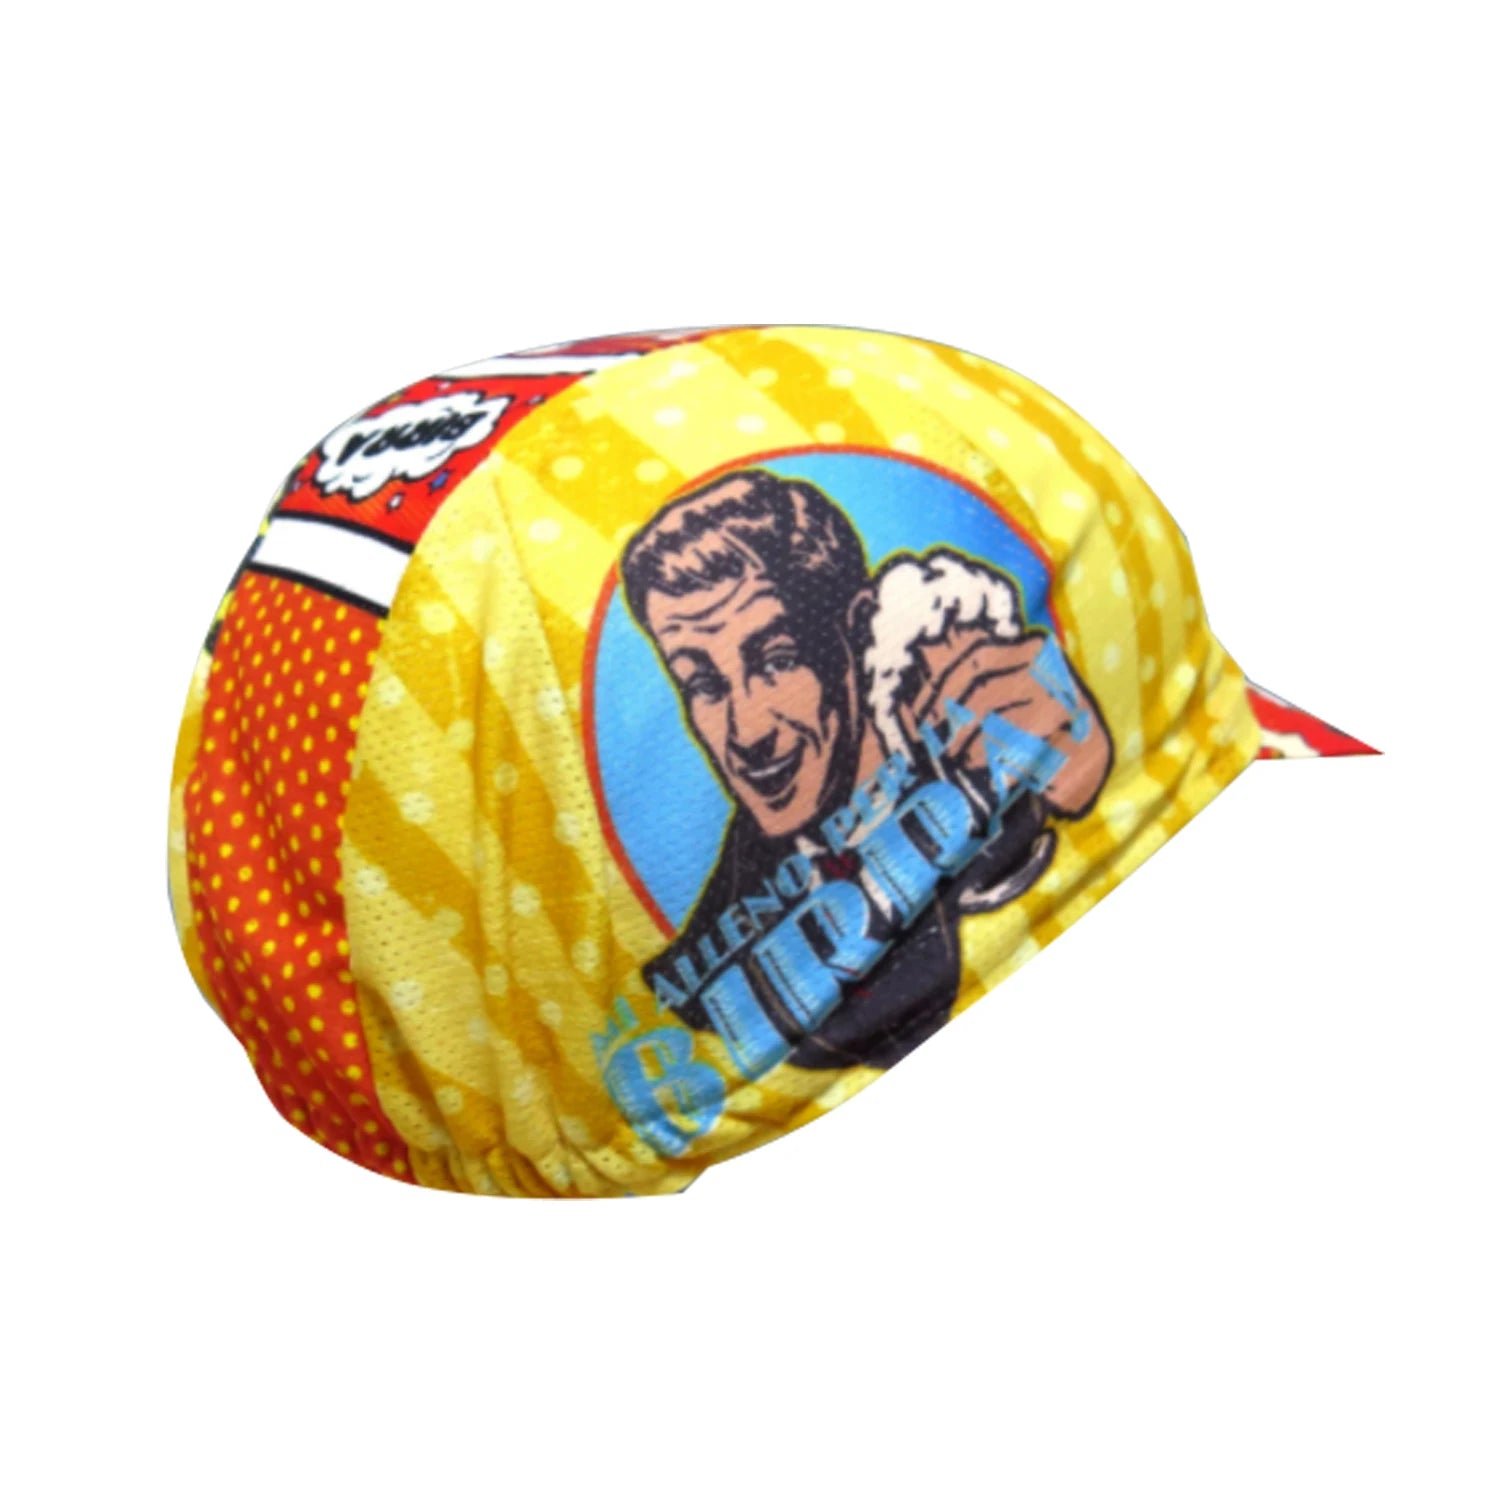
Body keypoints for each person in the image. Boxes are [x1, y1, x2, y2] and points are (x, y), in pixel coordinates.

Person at [620, 466, 1112, 1070]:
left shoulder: (976, 721)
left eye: (777, 660)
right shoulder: (708, 961)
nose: (746, 733)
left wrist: (1084, 753)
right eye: (703, 684)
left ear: (857, 629)